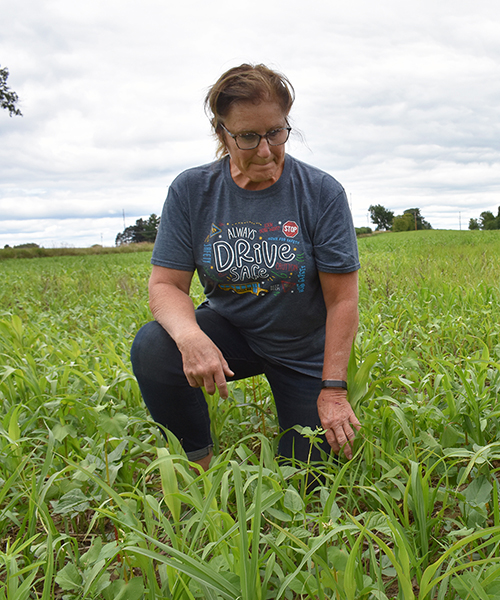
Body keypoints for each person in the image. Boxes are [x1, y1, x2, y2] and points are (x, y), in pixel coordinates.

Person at [131, 64, 362, 471]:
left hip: (302, 349)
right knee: (155, 347)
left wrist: (334, 390)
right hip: (232, 334)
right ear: (222, 132)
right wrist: (190, 337)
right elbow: (165, 284)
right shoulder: (192, 191)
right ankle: (199, 466)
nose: (265, 149)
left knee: (308, 479)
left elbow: (342, 300)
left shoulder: (322, 193)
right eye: (248, 136)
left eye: (275, 132)